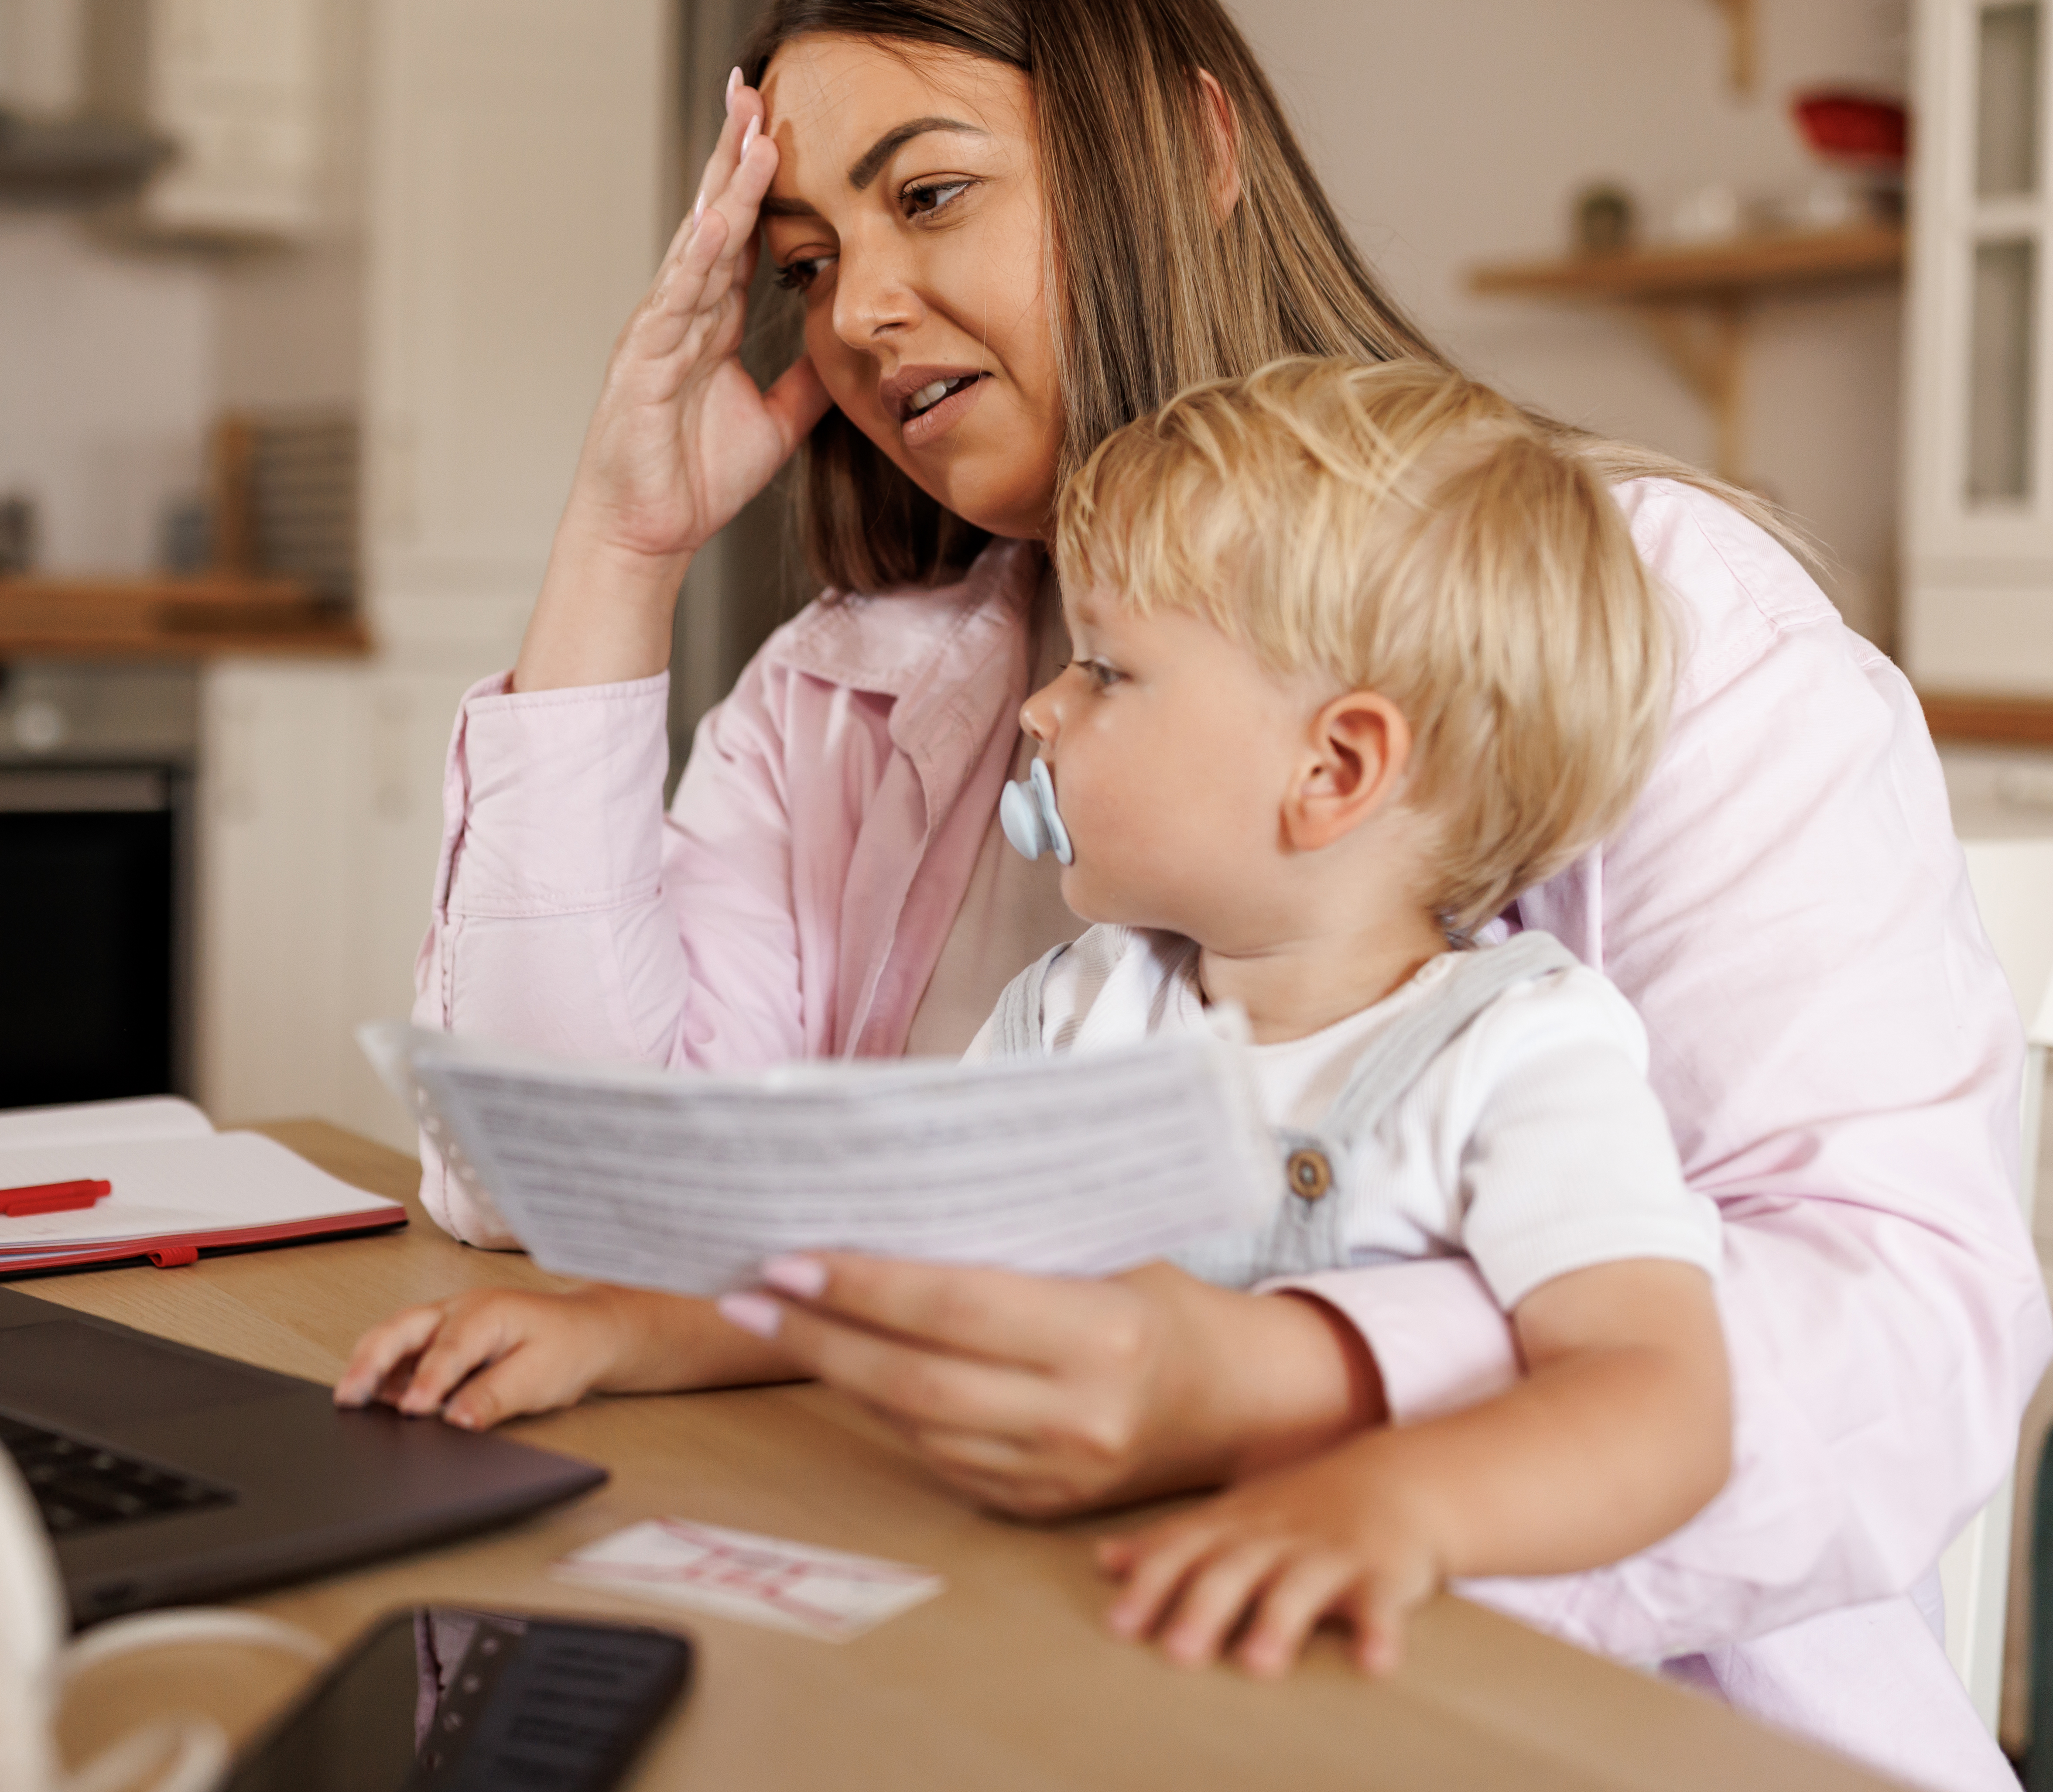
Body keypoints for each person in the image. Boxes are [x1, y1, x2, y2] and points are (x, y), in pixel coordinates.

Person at [384, 0, 2039, 1792]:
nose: (854, 315)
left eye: (926, 199)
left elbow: (1899, 1343)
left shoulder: (1654, 618)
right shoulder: (858, 683)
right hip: (1041, 1667)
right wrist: (620, 552)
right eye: (799, 259)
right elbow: (561, 1196)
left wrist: (1280, 1383)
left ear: (1188, 149)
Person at [342, 357, 1740, 1688]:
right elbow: (876, 1255)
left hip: (1376, 1686)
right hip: (1090, 1638)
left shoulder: (1523, 1052)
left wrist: (1391, 1510)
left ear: (1337, 767)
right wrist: (614, 1338)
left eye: (1111, 673)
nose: (1042, 706)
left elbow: (1660, 1396)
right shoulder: (1083, 1002)